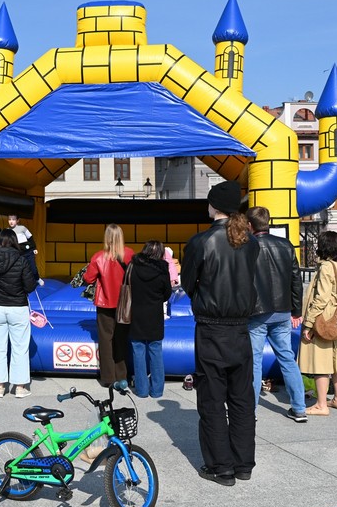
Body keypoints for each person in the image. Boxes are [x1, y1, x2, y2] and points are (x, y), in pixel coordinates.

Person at [181, 180, 259, 486]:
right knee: (242, 398)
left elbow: (188, 284)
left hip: (211, 327)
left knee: (212, 399)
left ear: (213, 206)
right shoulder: (250, 242)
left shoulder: (201, 241)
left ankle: (221, 467)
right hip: (241, 328)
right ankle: (243, 463)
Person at [246, 206, 307, 423]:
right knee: (287, 358)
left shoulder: (248, 247)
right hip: (282, 310)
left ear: (249, 225)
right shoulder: (286, 245)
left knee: (254, 362)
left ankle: (250, 411)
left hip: (257, 313)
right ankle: (299, 408)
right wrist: (296, 310)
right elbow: (296, 280)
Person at [299, 231, 337, 416]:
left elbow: (321, 298)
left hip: (325, 318)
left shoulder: (326, 267)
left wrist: (308, 323)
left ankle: (321, 405)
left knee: (321, 361)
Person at [0, 228, 39, 398]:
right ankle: (19, 388)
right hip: (17, 307)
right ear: (15, 242)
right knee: (20, 348)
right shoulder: (21, 260)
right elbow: (30, 285)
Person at [84, 223, 135, 387]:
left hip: (105, 303)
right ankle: (122, 376)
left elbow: (88, 278)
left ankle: (108, 378)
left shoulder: (98, 257)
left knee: (105, 340)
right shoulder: (129, 254)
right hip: (124, 304)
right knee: (121, 339)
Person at [128, 240, 173, 398]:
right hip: (154, 315)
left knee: (138, 350)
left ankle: (141, 390)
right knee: (156, 351)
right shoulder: (162, 270)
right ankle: (157, 390)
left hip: (136, 313)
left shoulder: (133, 266)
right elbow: (167, 293)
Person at [8, 214, 43, 285]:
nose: (11, 221)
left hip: (28, 252)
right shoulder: (8, 230)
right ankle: (22, 283)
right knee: (20, 270)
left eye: (13, 219)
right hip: (18, 254)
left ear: (17, 221)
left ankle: (37, 279)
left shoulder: (22, 228)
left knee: (33, 268)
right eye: (9, 219)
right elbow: (2, 235)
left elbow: (30, 238)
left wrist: (34, 248)